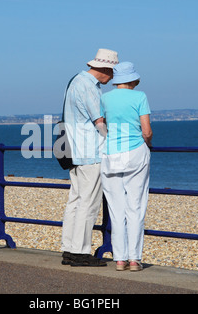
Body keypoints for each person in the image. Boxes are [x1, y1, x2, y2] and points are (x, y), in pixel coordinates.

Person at [61, 48, 119, 267]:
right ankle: (80, 252)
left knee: (75, 201)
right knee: (89, 202)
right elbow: (99, 121)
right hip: (90, 151)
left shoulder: (75, 81)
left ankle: (69, 248)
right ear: (104, 69)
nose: (112, 78)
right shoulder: (89, 87)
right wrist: (114, 140)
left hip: (74, 150)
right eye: (111, 73)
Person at [99, 62, 152, 271]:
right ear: (132, 79)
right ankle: (134, 259)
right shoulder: (140, 97)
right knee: (135, 207)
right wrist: (148, 143)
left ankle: (119, 259)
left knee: (116, 208)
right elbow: (146, 131)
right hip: (136, 153)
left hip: (111, 154)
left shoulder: (105, 98)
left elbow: (102, 126)